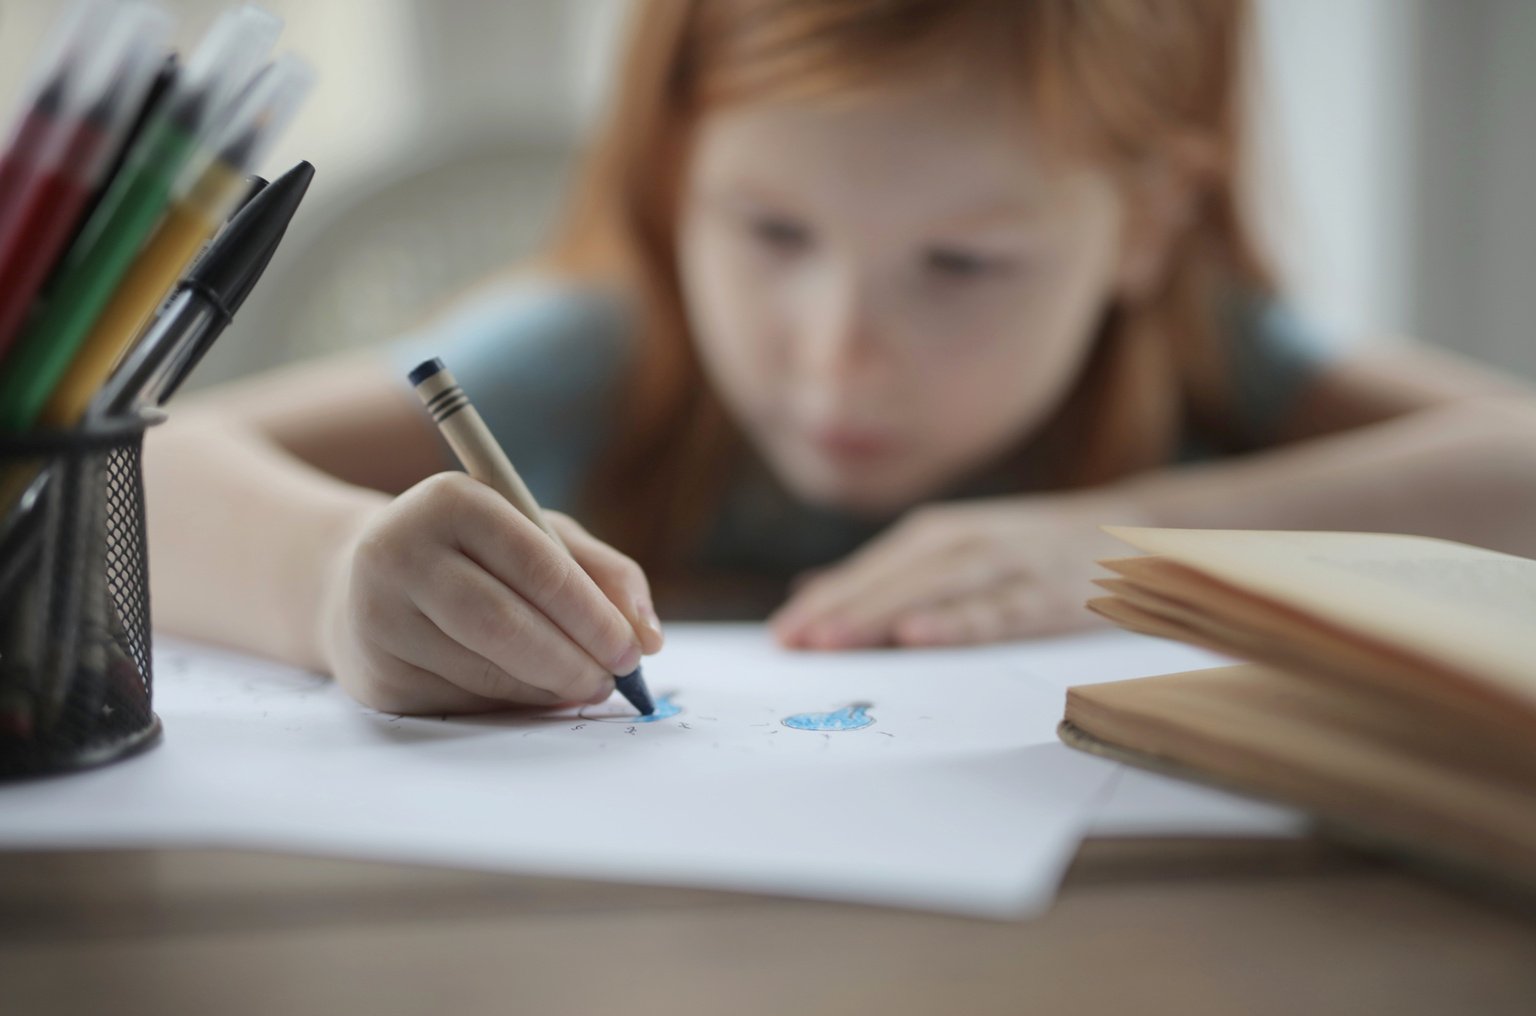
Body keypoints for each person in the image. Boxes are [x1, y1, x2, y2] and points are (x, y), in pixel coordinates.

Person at [144, 0, 1536, 715]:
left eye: (962, 265)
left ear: (1147, 225)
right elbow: (126, 470)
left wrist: (1133, 546)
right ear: (681, 174)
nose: (836, 353)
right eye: (769, 231)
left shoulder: (1205, 359)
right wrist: (331, 586)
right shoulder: (610, 350)